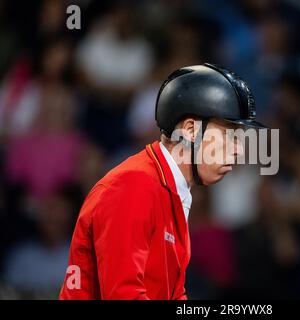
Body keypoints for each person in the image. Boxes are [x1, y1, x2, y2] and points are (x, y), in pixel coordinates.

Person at [59, 63, 267, 300]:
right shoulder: (132, 186)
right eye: (229, 134)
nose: (239, 150)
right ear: (190, 130)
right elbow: (123, 295)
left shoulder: (172, 189)